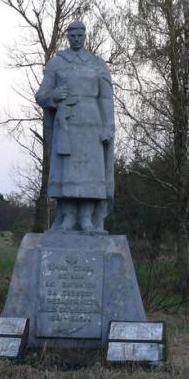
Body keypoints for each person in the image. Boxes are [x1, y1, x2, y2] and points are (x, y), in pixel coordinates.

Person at [36, 21, 114, 232]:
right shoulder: (57, 63)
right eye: (73, 35)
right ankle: (68, 217)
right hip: (67, 124)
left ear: (85, 36)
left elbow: (106, 98)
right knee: (67, 171)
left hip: (92, 124)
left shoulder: (98, 64)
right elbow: (41, 95)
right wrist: (54, 96)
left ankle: (87, 219)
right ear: (68, 36)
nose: (77, 39)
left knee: (91, 171)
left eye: (80, 35)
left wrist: (109, 126)